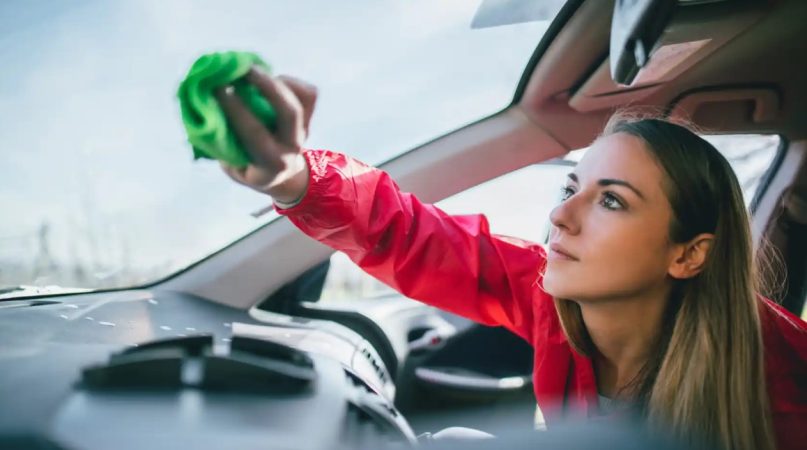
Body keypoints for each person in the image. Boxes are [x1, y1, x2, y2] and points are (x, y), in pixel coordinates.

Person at [214, 68, 807, 450]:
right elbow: (412, 237)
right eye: (570, 187)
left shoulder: (783, 373)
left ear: (689, 254)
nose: (560, 216)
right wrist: (292, 177)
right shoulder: (548, 297)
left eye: (612, 201)